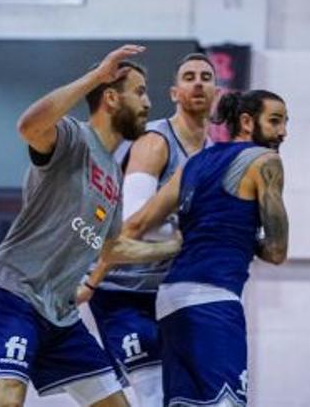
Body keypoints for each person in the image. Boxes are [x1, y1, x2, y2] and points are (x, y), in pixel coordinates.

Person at [0, 45, 184, 407]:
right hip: (14, 293)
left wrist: (175, 247)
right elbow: (28, 125)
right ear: (111, 97)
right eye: (139, 92)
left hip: (60, 316)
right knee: (6, 399)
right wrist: (96, 75)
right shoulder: (72, 137)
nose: (147, 103)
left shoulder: (113, 173)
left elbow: (113, 248)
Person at [116, 89, 289, 407]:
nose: (283, 132)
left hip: (169, 301)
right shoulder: (266, 162)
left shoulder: (195, 162)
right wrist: (238, 236)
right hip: (214, 297)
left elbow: (135, 225)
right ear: (247, 122)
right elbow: (277, 251)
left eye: (285, 123)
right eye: (275, 121)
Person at [77, 53, 218, 406]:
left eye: (205, 76)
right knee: (154, 394)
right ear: (174, 93)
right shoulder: (156, 141)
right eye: (189, 77)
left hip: (172, 294)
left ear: (217, 91)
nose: (198, 82)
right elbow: (133, 223)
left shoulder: (215, 155)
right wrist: (93, 280)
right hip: (124, 292)